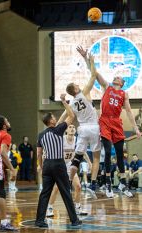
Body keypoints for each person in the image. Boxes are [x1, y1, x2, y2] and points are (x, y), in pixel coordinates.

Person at [81, 47, 141, 198]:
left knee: (120, 154)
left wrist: (136, 128)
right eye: (116, 76)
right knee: (107, 151)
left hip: (116, 123)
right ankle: (108, 184)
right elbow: (93, 72)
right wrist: (86, 59)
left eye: (119, 77)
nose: (117, 77)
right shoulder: (106, 86)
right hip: (105, 121)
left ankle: (122, 183)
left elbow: (128, 112)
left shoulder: (124, 94)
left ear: (122, 83)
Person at [35, 94, 81, 228]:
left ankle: (39, 221)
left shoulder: (41, 135)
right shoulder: (58, 130)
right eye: (54, 117)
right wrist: (64, 102)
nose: (56, 119)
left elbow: (39, 153)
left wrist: (41, 166)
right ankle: (74, 220)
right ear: (51, 121)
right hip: (58, 164)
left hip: (47, 165)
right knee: (66, 191)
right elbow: (71, 116)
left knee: (45, 193)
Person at [65, 49, 101, 199]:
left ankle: (67, 182)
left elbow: (71, 117)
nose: (78, 84)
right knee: (96, 157)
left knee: (77, 158)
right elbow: (93, 76)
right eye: (76, 84)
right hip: (93, 127)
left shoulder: (73, 102)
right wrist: (90, 60)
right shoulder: (83, 93)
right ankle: (93, 183)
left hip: (82, 129)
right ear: (75, 89)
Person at [46, 124, 89, 217]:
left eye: (73, 127)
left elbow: (83, 152)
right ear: (66, 131)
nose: (72, 129)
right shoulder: (61, 139)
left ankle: (77, 207)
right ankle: (49, 208)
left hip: (70, 165)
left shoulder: (77, 140)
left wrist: (89, 162)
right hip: (60, 165)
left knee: (78, 186)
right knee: (56, 188)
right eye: (70, 127)